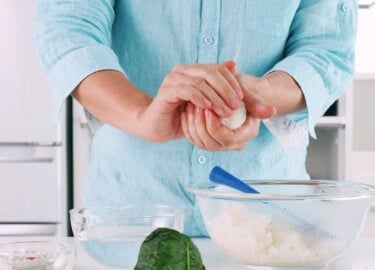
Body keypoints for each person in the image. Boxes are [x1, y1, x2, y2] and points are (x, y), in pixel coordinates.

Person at [35, 0, 357, 236]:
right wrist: (141, 114)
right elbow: (69, 32)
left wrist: (259, 95)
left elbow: (327, 50)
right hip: (129, 224)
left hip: (266, 222)